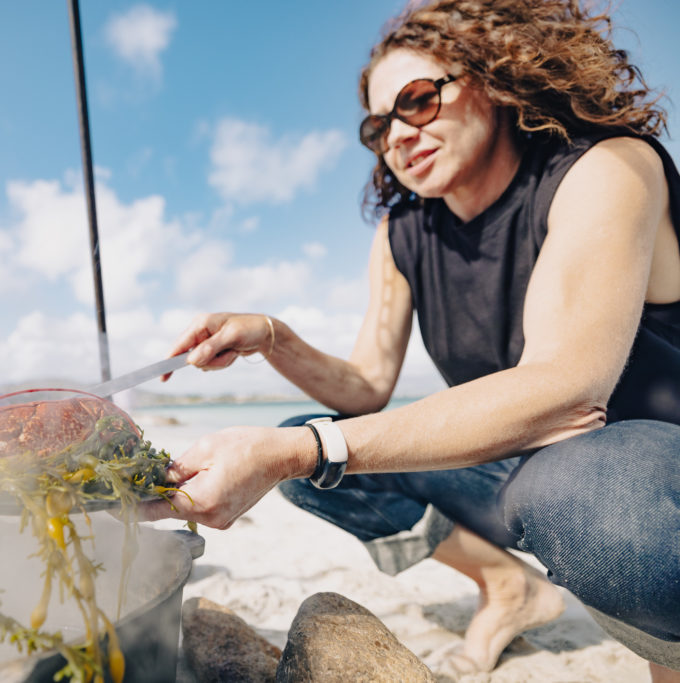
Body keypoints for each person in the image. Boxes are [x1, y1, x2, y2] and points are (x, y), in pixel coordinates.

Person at [143, 0, 680, 679]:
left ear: (491, 80)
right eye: (378, 125)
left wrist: (294, 451)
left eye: (418, 102)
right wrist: (273, 338)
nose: (397, 135)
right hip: (520, 470)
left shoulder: (606, 168)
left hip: (642, 479)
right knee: (317, 457)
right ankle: (511, 587)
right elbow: (366, 387)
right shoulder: (403, 235)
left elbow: (568, 391)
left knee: (572, 491)